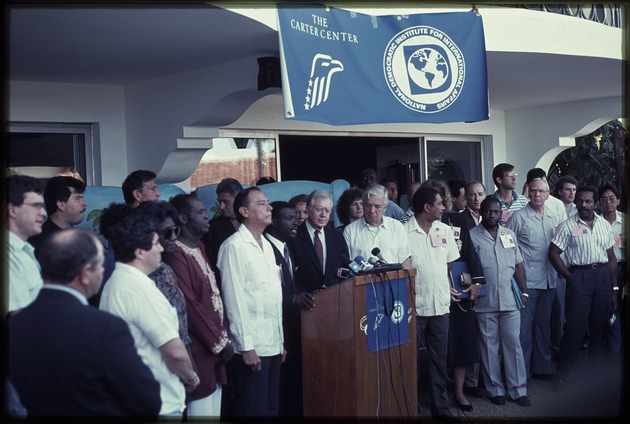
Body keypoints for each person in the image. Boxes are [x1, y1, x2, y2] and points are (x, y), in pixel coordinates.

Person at [8, 228, 162, 418]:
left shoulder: (15, 326)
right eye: (100, 265)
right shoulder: (105, 328)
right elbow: (148, 400)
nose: (104, 270)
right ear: (86, 272)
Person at [100, 211, 199, 417]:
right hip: (157, 402)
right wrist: (190, 378)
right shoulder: (138, 289)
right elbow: (174, 351)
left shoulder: (118, 282)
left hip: (135, 397)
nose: (161, 248)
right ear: (140, 252)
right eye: (155, 243)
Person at [217, 187, 285, 418]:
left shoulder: (267, 244)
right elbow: (233, 300)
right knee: (253, 411)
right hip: (252, 345)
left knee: (271, 409)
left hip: (272, 343)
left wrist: (280, 340)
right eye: (262, 204)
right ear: (244, 211)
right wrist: (246, 347)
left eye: (268, 202)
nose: (270, 207)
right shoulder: (233, 247)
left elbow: (272, 295)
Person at [164, 194, 232, 418]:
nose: (207, 217)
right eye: (200, 213)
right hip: (198, 348)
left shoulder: (199, 246)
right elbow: (189, 306)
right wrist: (219, 342)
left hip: (213, 344)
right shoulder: (176, 254)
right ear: (183, 218)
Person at [548, 186, 617, 393]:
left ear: (595, 204)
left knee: (599, 330)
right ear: (576, 203)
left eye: (588, 201)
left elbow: (612, 258)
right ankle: (561, 377)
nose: (583, 205)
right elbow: (553, 253)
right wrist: (571, 278)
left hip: (603, 276)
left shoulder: (604, 225)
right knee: (575, 329)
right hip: (580, 275)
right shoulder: (568, 225)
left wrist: (614, 289)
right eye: (580, 201)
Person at [404, 187, 460, 420]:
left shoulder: (444, 228)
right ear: (427, 207)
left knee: (439, 360)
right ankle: (411, 409)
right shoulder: (403, 231)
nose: (443, 207)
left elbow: (449, 263)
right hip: (414, 307)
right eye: (439, 203)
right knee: (411, 362)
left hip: (440, 305)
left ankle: (441, 409)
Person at [470, 197, 530, 407]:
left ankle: (518, 390)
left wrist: (524, 293)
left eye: (496, 212)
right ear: (481, 212)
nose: (493, 216)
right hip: (484, 301)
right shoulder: (471, 237)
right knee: (489, 347)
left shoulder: (509, 234)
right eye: (488, 212)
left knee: (513, 345)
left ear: (501, 213)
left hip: (510, 300)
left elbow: (519, 266)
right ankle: (495, 389)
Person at [506, 178, 562, 380]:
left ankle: (543, 368)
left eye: (541, 191)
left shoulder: (554, 217)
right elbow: (508, 249)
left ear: (548, 195)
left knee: (543, 327)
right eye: (533, 191)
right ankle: (522, 372)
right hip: (526, 281)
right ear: (528, 193)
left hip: (549, 279)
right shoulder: (518, 217)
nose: (537, 195)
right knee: (524, 330)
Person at [264, 201, 311, 417]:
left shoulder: (286, 245)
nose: (296, 222)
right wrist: (292, 299)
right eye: (289, 218)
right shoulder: (265, 249)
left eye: (296, 217)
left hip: (292, 328)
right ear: (273, 221)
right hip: (274, 330)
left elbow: (292, 282)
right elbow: (264, 292)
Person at [449, 180, 486, 397]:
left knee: (485, 336)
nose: (476, 198)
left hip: (484, 281)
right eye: (471, 195)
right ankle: (469, 383)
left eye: (480, 194)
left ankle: (482, 379)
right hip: (462, 283)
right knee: (468, 334)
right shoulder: (457, 220)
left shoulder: (493, 214)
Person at [291, 190, 350, 293]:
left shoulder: (337, 236)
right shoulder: (293, 237)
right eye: (319, 209)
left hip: (335, 298)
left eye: (327, 210)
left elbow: (345, 268)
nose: (323, 215)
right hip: (305, 301)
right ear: (308, 209)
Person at [344, 184, 411, 267]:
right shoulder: (350, 231)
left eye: (377, 206)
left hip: (394, 280)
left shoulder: (396, 226)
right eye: (368, 205)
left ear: (385, 208)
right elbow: (347, 264)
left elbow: (405, 260)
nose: (372, 211)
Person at [6, 174, 46, 312]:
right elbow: (17, 316)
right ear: (12, 209)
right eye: (36, 206)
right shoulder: (8, 257)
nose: (43, 212)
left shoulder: (23, 249)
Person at [550, 174, 578, 352]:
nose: (572, 193)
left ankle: (576, 340)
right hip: (558, 267)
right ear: (560, 191)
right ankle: (559, 345)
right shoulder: (552, 210)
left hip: (575, 266)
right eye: (568, 189)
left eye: (574, 189)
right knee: (559, 309)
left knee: (575, 306)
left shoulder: (580, 210)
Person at [597, 183, 626, 354]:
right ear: (599, 203)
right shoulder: (594, 221)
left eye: (611, 199)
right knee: (602, 307)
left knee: (617, 306)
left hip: (621, 270)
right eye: (604, 199)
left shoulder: (625, 221)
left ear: (618, 201)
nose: (608, 202)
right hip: (600, 269)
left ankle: (616, 346)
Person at [27, 175, 87, 254]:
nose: (85, 203)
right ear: (61, 205)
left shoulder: (81, 237)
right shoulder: (40, 242)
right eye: (78, 198)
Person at [201, 177, 243, 289]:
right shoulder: (213, 227)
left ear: (239, 199)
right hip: (225, 285)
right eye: (220, 202)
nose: (222, 207)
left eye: (226, 202)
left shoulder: (253, 222)